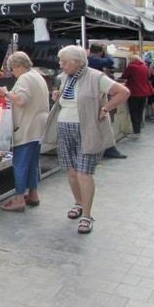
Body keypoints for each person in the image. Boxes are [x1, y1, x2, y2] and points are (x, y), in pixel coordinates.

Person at [43, 45, 130, 234]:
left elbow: (123, 92)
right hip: (65, 127)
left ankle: (87, 216)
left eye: (64, 62)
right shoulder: (65, 77)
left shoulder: (95, 77)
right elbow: (69, 99)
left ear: (77, 61)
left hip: (87, 130)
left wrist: (106, 108)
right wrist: (58, 96)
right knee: (72, 171)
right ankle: (78, 203)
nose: (61, 65)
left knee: (84, 173)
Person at [0, 52, 49, 212]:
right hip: (38, 126)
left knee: (20, 164)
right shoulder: (37, 75)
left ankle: (19, 198)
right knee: (32, 163)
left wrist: (5, 92)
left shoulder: (25, 78)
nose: (12, 73)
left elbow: (21, 100)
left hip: (27, 127)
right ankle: (33, 194)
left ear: (19, 66)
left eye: (12, 69)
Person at [85, 44, 127, 159]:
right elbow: (110, 62)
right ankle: (107, 149)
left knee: (101, 123)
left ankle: (108, 148)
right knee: (101, 123)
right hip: (93, 96)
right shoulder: (93, 59)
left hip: (94, 94)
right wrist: (106, 53)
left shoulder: (89, 60)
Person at [120, 55, 154, 138]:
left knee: (133, 112)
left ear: (132, 60)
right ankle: (138, 129)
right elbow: (149, 76)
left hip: (134, 92)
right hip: (144, 92)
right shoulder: (145, 66)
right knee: (139, 111)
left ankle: (136, 131)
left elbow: (124, 76)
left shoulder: (131, 67)